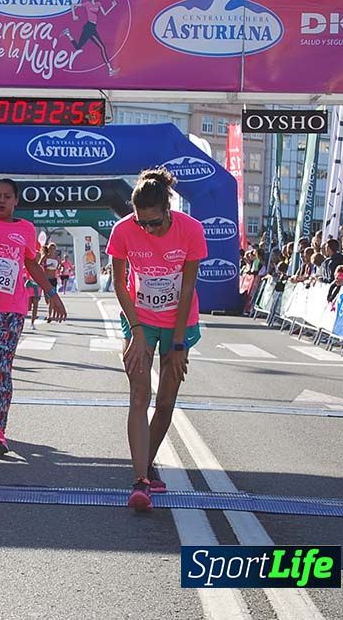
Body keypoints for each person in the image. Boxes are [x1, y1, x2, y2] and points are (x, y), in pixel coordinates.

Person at [107, 167, 208, 512]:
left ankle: (146, 464)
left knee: (165, 402)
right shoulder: (123, 231)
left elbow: (189, 287)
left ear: (168, 209)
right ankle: (140, 481)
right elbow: (120, 283)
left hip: (179, 320)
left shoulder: (191, 230)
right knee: (139, 394)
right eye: (141, 223)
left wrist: (178, 344)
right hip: (140, 319)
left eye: (153, 222)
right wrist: (134, 330)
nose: (146, 229)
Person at [0, 179, 67, 455]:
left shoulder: (26, 229)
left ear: (16, 201)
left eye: (7, 196)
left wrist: (51, 293)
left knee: (2, 367)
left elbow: (31, 263)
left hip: (12, 307)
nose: (1, 201)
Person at [61, 0, 119, 76]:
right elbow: (73, 5)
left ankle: (68, 33)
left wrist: (112, 6)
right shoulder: (87, 4)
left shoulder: (98, 4)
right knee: (102, 47)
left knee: (78, 47)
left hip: (93, 27)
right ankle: (110, 70)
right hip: (88, 28)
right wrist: (74, 16)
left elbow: (104, 14)